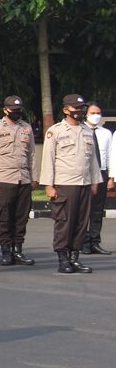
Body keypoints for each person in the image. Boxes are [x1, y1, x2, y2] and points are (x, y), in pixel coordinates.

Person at [40, 94, 102, 274]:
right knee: (65, 222)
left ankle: (75, 258)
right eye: (76, 108)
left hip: (84, 183)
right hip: (64, 184)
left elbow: (92, 160)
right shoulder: (56, 131)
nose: (80, 111)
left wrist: (95, 180)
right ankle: (63, 258)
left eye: (82, 108)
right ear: (66, 110)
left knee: (82, 222)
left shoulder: (87, 131)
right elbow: (48, 160)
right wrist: (48, 185)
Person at [0, 96, 37, 266]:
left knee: (21, 217)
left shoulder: (26, 128)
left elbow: (32, 154)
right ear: (5, 110)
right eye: (13, 110)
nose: (16, 113)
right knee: (5, 218)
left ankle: (17, 251)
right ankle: (5, 251)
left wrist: (34, 178)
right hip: (4, 178)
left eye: (19, 110)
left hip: (23, 179)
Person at [83, 102, 111, 255]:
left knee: (97, 211)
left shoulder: (106, 133)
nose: (96, 116)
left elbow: (111, 155)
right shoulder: (80, 130)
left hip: (101, 173)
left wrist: (111, 177)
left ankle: (95, 242)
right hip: (85, 175)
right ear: (86, 114)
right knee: (84, 210)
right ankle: (83, 242)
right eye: (93, 112)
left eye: (98, 113)